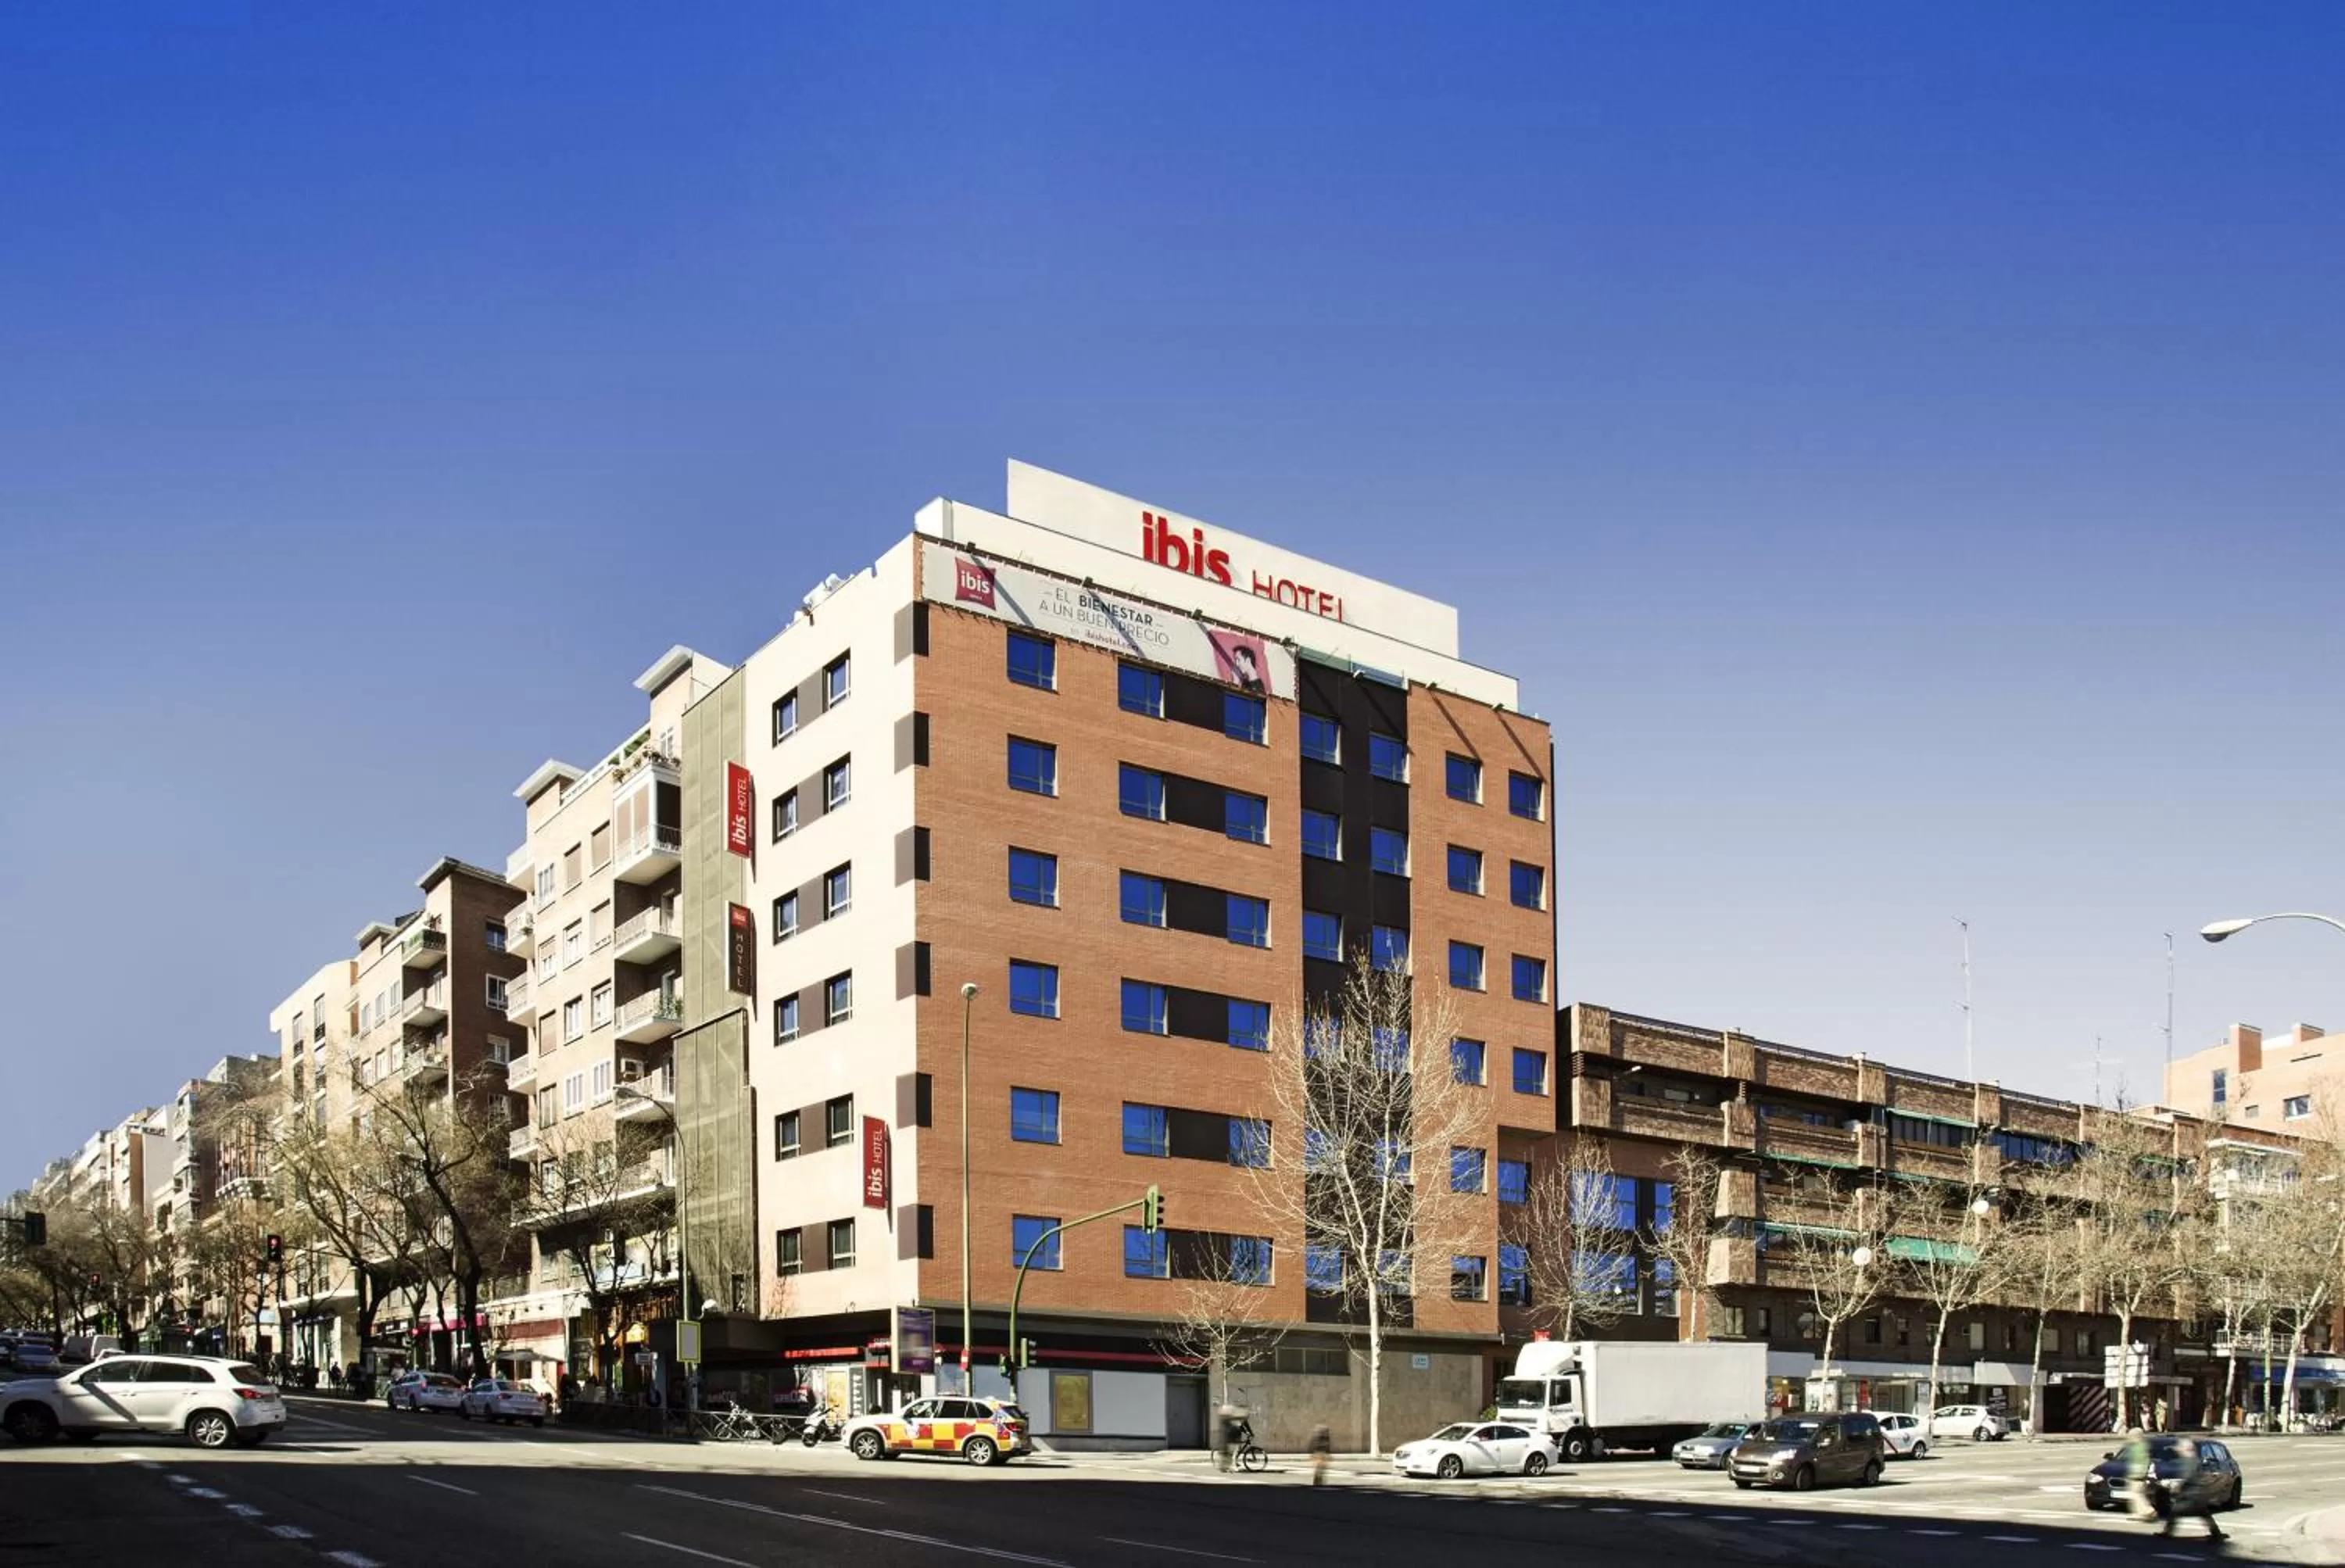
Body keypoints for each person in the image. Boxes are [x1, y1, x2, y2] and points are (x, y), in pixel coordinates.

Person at [2160, 1436, 2225, 1541]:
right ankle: (2216, 1534)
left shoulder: (2189, 1461)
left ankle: (2168, 1532)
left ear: (2186, 1449)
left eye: (2180, 1448)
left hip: (2192, 1495)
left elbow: (2187, 1476)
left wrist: (2176, 1486)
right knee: (2204, 1514)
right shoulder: (2195, 1460)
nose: (2178, 1451)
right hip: (2200, 1494)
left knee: (2175, 1511)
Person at [2119, 1429, 2156, 1522]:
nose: (2129, 1438)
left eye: (2131, 1436)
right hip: (2139, 1476)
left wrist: (2136, 1475)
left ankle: (2148, 1510)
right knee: (2138, 1495)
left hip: (2137, 1476)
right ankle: (2141, 1514)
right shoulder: (2140, 1446)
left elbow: (2140, 1463)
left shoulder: (2138, 1448)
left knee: (2136, 1495)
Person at [1307, 1423, 1333, 1487]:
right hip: (1319, 1454)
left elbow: (1327, 1447)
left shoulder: (1324, 1438)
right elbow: (1327, 1447)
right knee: (1319, 1470)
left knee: (1320, 1470)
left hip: (1321, 1455)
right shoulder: (1322, 1438)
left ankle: (1319, 1482)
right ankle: (1318, 1483)